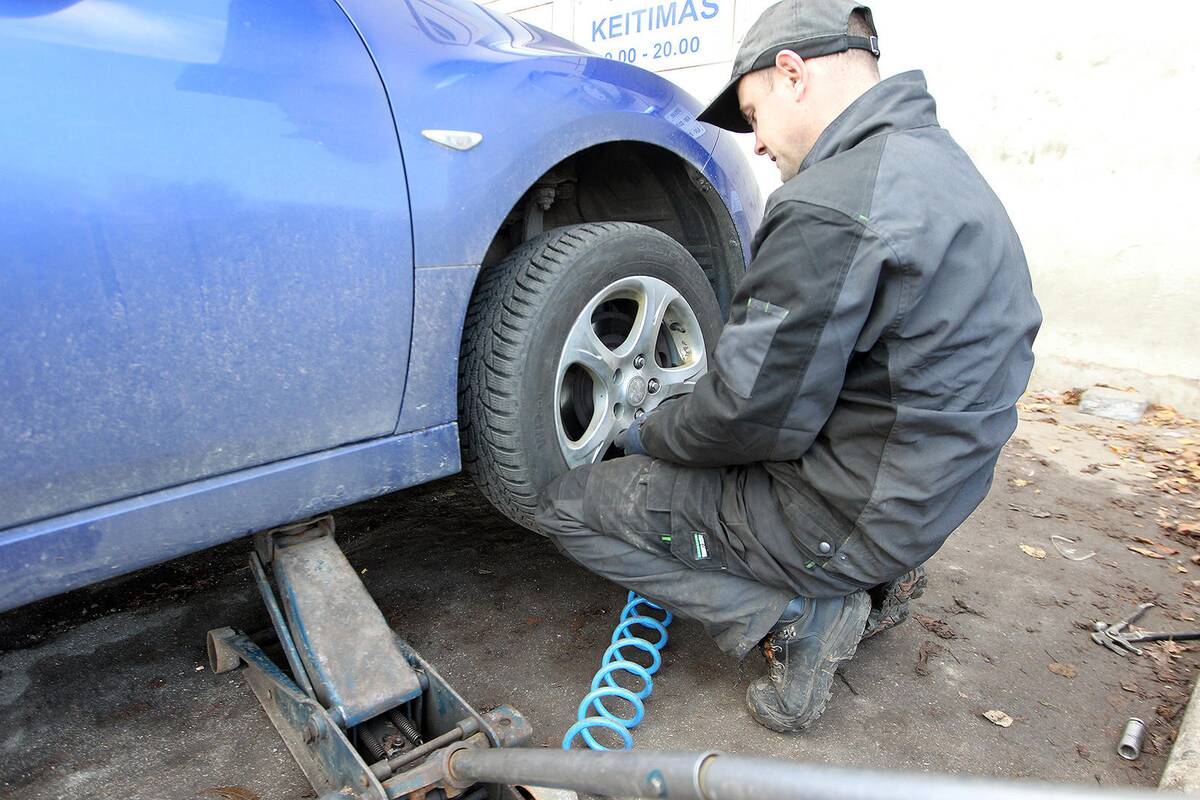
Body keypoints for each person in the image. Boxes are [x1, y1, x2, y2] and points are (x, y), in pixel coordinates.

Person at [535, 0, 1041, 732]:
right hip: (934, 495)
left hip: (848, 516)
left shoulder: (830, 206)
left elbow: (747, 420)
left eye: (753, 113)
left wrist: (645, 431)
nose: (759, 144)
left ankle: (795, 613)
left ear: (793, 74)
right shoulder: (944, 168)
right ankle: (885, 577)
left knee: (565, 502)